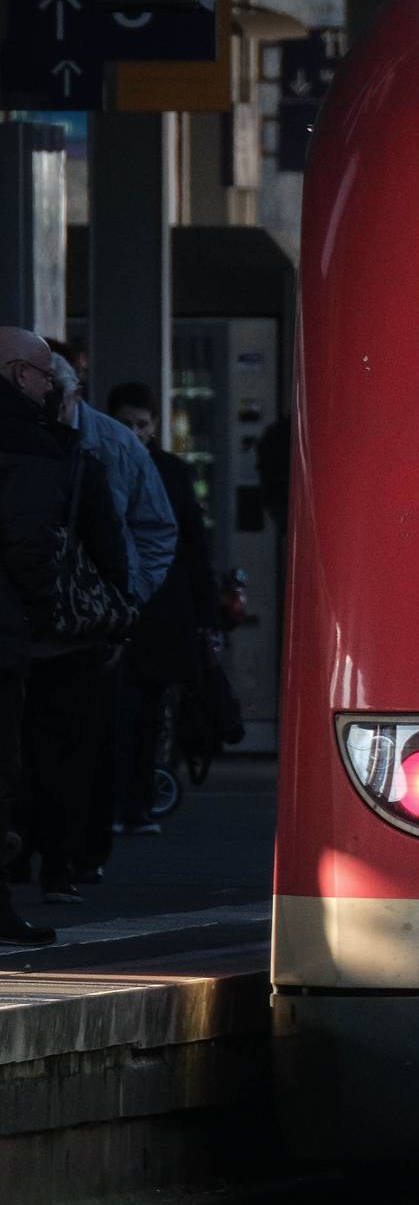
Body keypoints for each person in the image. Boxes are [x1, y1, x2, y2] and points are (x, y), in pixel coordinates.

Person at [0, 329, 126, 943]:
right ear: (20, 373)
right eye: (46, 376)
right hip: (18, 633)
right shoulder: (34, 445)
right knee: (25, 760)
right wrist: (50, 609)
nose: (52, 387)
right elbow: (30, 542)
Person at [42, 352, 170, 896]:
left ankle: (74, 852)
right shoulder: (96, 446)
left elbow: (152, 529)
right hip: (62, 615)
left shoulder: (109, 446)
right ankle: (59, 853)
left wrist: (126, 600)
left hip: (90, 618)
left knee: (84, 740)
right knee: (60, 741)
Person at [105, 383, 213, 836]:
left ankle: (131, 802)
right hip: (158, 606)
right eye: (129, 424)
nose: (135, 433)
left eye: (141, 425)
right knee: (137, 711)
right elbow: (191, 540)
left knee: (139, 712)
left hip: (148, 609)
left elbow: (192, 542)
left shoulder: (107, 462)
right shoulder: (169, 471)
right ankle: (131, 803)